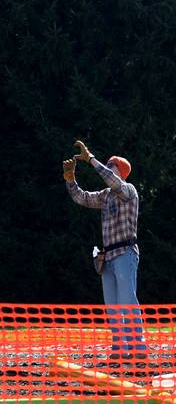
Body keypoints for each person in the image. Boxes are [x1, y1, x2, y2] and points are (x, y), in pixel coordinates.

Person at [63, 140, 146, 360]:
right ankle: (120, 350)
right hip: (108, 256)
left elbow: (113, 182)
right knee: (112, 306)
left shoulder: (128, 190)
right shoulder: (107, 195)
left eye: (112, 165)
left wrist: (90, 159)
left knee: (128, 301)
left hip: (125, 254)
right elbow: (82, 198)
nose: (108, 167)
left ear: (122, 173)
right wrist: (71, 181)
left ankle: (138, 349)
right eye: (107, 164)